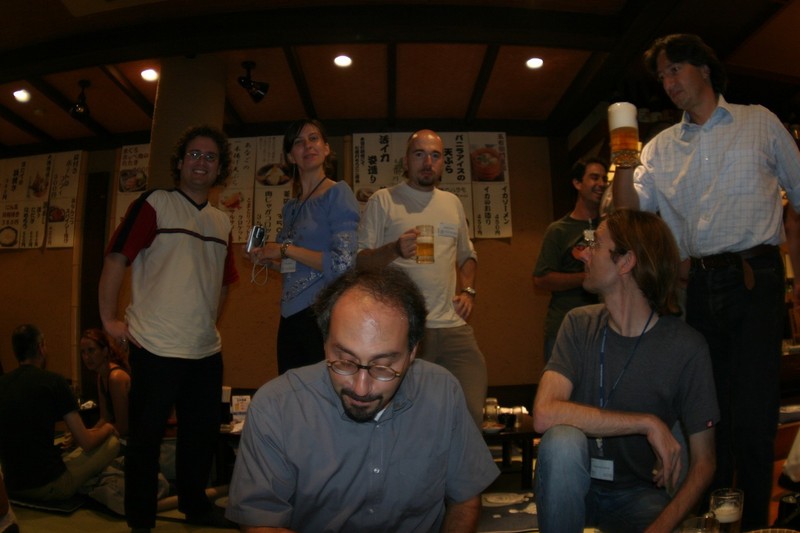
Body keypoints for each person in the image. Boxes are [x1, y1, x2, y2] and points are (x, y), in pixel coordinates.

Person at [612, 33, 800, 529]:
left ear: (705, 69)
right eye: (662, 76)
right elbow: (627, 215)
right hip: (698, 285)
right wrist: (624, 158)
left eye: (675, 69)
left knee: (755, 413)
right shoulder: (658, 147)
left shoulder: (759, 122)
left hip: (756, 277)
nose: (668, 82)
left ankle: (753, 522)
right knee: (708, 414)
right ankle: (718, 518)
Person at [225, 266, 499, 532]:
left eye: (383, 367)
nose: (361, 388)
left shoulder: (442, 392)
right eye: (345, 361)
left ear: (413, 352)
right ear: (325, 343)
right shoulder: (277, 406)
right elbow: (260, 521)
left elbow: (465, 499)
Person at [533, 209, 719, 532]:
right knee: (562, 441)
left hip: (639, 494)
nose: (583, 254)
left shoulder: (687, 348)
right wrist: (646, 423)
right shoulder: (579, 324)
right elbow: (544, 413)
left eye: (595, 244)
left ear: (626, 262)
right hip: (577, 485)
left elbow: (705, 463)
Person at [99, 124, 239, 531]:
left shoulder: (222, 222)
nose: (201, 162)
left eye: (210, 157)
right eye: (194, 154)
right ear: (179, 163)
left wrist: (206, 321)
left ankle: (196, 507)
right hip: (155, 347)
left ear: (219, 169)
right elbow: (116, 258)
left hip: (205, 351)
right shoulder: (154, 203)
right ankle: (141, 520)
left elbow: (224, 283)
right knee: (145, 439)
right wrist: (108, 320)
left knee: (201, 435)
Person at [356, 129, 488, 427]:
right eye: (419, 154)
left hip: (452, 326)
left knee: (470, 414)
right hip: (405, 328)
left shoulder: (452, 203)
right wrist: (394, 249)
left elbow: (467, 255)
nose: (428, 162)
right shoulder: (384, 200)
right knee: (410, 421)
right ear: (406, 161)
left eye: (435, 155)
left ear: (442, 163)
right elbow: (360, 263)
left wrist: (468, 291)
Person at [246, 118, 360, 374]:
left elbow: (343, 265)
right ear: (290, 156)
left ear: (326, 148)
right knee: (291, 389)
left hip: (323, 314)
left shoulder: (338, 194)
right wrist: (272, 263)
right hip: (289, 316)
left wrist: (284, 249)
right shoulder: (291, 207)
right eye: (298, 142)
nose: (307, 145)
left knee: (320, 390)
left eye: (313, 138)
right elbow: (298, 266)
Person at [0, 324, 119, 502]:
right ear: (41, 347)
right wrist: (108, 427)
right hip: (48, 486)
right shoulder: (54, 382)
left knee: (72, 451)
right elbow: (87, 443)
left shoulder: (2, 383)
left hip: (10, 486)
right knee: (112, 442)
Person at [534, 157, 608, 362]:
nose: (601, 184)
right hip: (564, 327)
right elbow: (541, 279)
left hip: (606, 325)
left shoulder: (611, 227)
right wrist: (587, 277)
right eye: (594, 178)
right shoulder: (559, 230)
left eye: (604, 179)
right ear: (577, 183)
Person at [81, 328, 130, 438]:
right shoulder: (101, 376)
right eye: (83, 352)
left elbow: (123, 427)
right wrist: (84, 435)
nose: (86, 357)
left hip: (136, 437)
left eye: (91, 350)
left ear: (104, 351)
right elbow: (105, 418)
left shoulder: (116, 377)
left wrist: (92, 436)